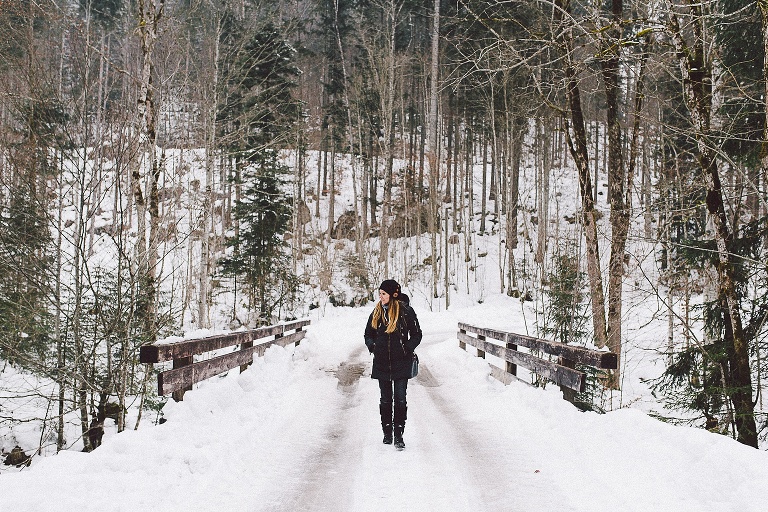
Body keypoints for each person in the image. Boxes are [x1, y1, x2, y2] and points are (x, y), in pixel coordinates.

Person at [364, 279, 422, 450]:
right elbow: (368, 333)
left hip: (401, 363)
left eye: (383, 294)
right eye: (380, 294)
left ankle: (399, 435)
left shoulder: (406, 312)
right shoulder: (376, 312)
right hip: (381, 362)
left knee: (400, 399)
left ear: (392, 295)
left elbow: (417, 334)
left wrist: (406, 348)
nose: (380, 297)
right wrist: (373, 346)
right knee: (385, 400)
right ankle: (387, 433)